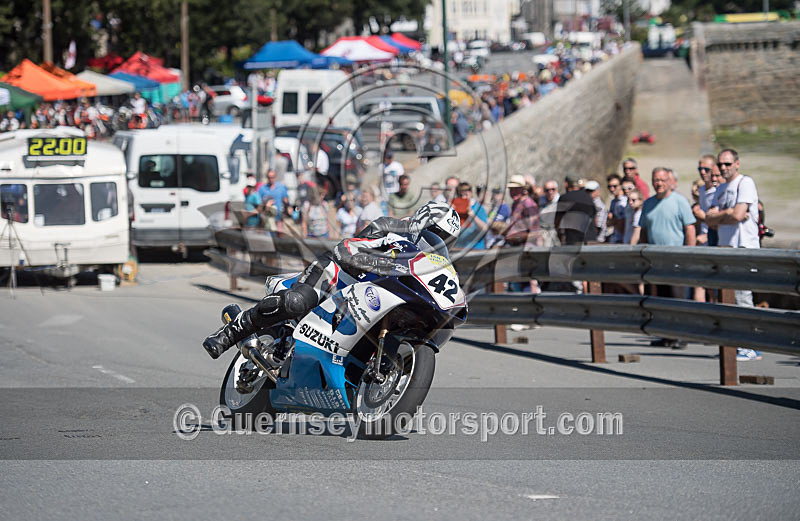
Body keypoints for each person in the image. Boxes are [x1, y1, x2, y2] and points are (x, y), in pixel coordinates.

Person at [202, 201, 462, 359]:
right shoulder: (389, 226)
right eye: (434, 235)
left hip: (376, 298)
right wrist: (379, 262)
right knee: (296, 302)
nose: (437, 245)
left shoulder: (432, 263)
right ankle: (231, 331)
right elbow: (347, 248)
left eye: (445, 242)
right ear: (421, 223)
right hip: (341, 275)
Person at [706, 149, 762, 361]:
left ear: (737, 164)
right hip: (725, 247)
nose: (723, 168)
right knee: (728, 300)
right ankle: (736, 344)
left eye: (728, 164)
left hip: (743, 247)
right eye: (720, 164)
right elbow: (709, 221)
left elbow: (738, 215)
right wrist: (727, 214)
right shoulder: (721, 188)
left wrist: (726, 215)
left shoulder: (745, 183)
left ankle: (751, 346)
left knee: (742, 297)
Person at [636, 167, 696, 348]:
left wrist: (690, 253)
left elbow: (690, 229)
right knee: (661, 300)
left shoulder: (680, 201)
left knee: (678, 299)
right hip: (656, 260)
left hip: (677, 259)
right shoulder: (648, 204)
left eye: (662, 180)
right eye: (656, 180)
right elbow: (644, 231)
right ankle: (666, 335)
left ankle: (682, 335)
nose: (659, 183)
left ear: (670, 181)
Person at [555, 174, 596, 245]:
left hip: (573, 240)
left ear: (566, 184)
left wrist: (559, 235)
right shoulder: (588, 197)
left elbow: (558, 221)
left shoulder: (564, 198)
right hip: (590, 239)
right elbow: (595, 217)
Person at [453, 181, 488, 249]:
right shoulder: (454, 208)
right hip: (458, 248)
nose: (463, 197)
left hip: (476, 249)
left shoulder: (478, 208)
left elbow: (485, 229)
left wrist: (472, 215)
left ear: (471, 193)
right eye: (460, 195)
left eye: (466, 195)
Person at [606, 173, 627, 243]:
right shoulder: (613, 201)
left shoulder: (624, 202)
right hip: (614, 238)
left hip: (622, 240)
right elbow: (608, 223)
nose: (612, 189)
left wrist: (613, 220)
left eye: (615, 186)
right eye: (609, 186)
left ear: (621, 186)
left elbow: (622, 225)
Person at [538, 179, 560, 247]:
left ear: (556, 190)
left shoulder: (560, 202)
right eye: (547, 190)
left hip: (556, 234)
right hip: (542, 234)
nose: (550, 192)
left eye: (553, 189)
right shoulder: (540, 201)